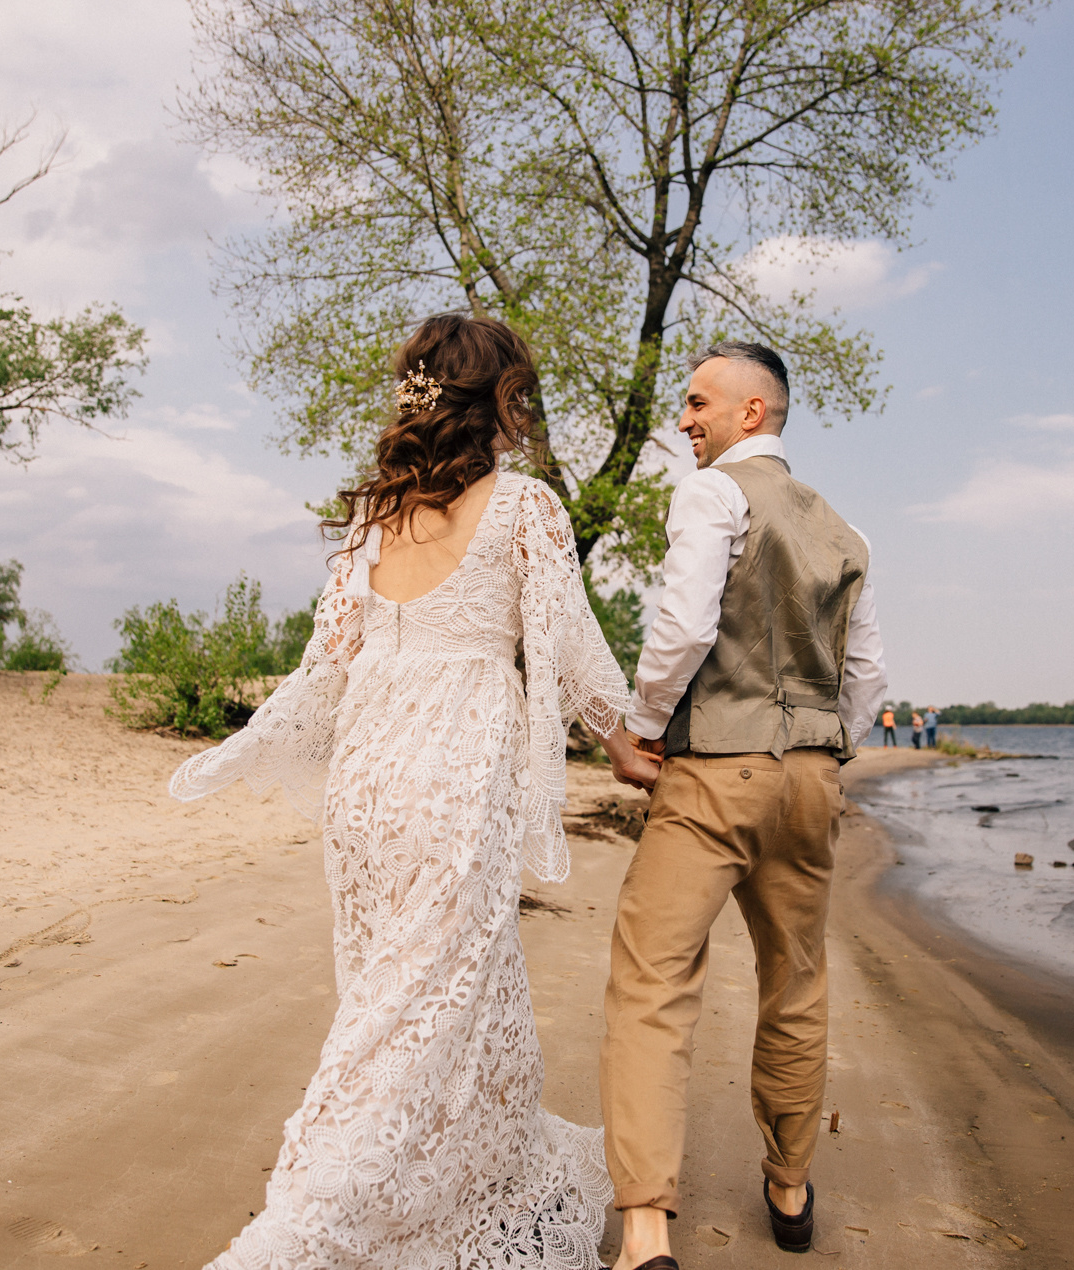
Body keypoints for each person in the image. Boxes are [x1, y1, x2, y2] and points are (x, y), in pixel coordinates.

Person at [171, 314, 657, 1270]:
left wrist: (244, 748)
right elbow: (570, 649)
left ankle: (476, 1185)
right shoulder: (526, 507)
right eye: (520, 393)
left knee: (418, 992)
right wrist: (626, 746)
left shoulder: (374, 520)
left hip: (366, 782)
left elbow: (326, 665)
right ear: (498, 400)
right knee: (408, 1015)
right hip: (454, 779)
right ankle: (299, 1235)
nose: (526, 410)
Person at [597, 341, 885, 1270]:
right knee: (796, 978)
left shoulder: (713, 493)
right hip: (810, 779)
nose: (684, 419)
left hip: (717, 770)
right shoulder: (846, 532)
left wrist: (643, 727)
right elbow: (867, 678)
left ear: (750, 412)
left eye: (697, 402)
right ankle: (790, 1189)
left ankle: (647, 1229)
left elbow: (684, 626)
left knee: (654, 980)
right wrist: (824, 753)